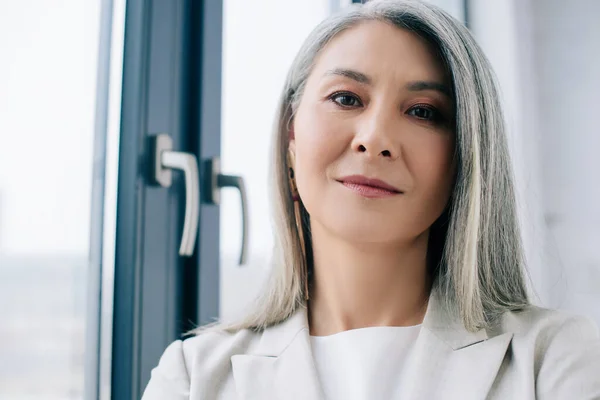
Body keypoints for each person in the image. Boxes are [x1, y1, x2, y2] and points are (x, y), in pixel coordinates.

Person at [142, 0, 600, 398]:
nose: (376, 138)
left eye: (423, 112)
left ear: (466, 157)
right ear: (291, 139)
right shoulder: (191, 377)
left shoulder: (556, 361)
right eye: (345, 98)